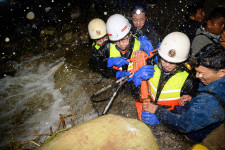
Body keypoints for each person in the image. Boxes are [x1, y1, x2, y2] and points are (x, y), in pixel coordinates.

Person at [142, 43, 225, 144]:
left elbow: (184, 125)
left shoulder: (209, 100)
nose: (198, 76)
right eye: (197, 71)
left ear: (221, 72)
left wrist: (157, 111)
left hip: (197, 138)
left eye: (202, 73)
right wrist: (193, 98)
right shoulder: (216, 83)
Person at [106, 14, 156, 78]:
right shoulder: (108, 46)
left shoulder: (139, 45)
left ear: (130, 34)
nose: (121, 44)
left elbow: (150, 66)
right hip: (119, 81)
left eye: (124, 39)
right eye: (117, 41)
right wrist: (113, 71)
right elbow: (95, 62)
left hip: (134, 82)